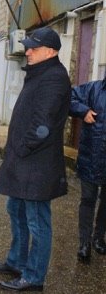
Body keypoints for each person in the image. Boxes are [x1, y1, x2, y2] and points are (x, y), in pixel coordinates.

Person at [0, 27, 71, 291]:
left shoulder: (54, 78)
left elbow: (42, 123)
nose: (27, 51)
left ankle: (34, 277)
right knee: (16, 210)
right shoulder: (40, 74)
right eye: (28, 47)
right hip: (24, 160)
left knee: (38, 221)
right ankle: (17, 261)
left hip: (37, 163)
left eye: (33, 48)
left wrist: (22, 148)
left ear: (51, 51)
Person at [69, 75, 106, 263]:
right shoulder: (92, 89)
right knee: (88, 200)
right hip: (91, 155)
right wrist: (83, 111)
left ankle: (99, 237)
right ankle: (84, 243)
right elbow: (68, 97)